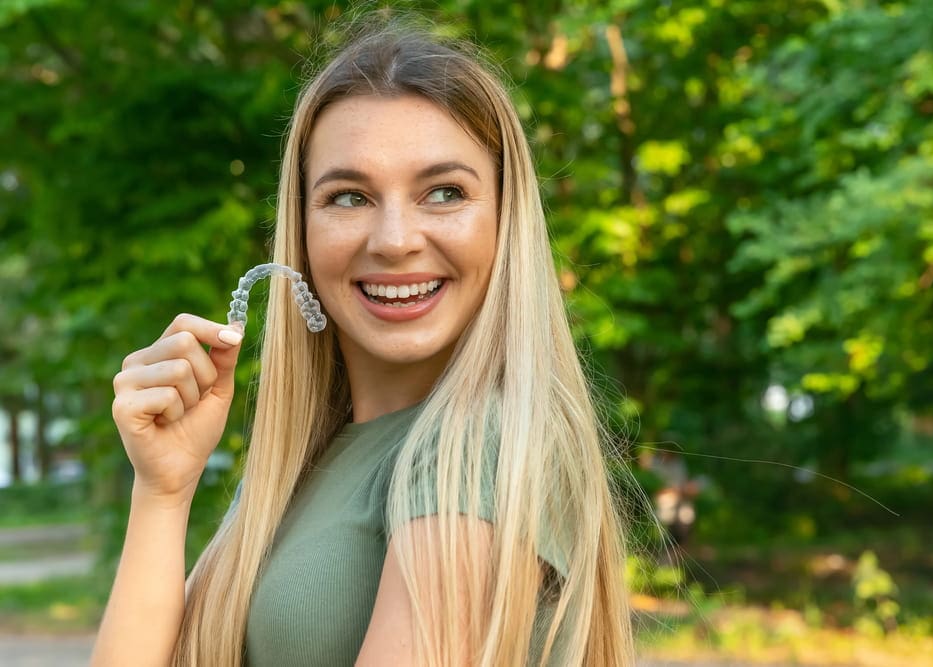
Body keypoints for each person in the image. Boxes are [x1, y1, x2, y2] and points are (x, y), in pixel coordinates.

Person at [91, 17, 633, 667]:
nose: (395, 239)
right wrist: (164, 488)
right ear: (303, 230)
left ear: (503, 219)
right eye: (349, 196)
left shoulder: (479, 446)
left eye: (444, 192)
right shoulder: (291, 467)